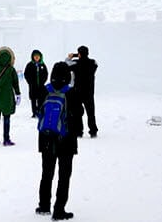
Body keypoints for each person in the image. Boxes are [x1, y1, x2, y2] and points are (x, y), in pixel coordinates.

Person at [36, 62, 80, 220]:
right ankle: (59, 209)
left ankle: (43, 205)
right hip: (66, 140)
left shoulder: (45, 90)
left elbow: (38, 110)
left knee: (46, 173)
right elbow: (78, 115)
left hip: (46, 138)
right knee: (64, 175)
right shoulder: (71, 92)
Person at [0, 46, 21, 146]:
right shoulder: (11, 70)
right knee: (6, 118)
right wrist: (18, 94)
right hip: (8, 97)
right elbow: (15, 83)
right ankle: (6, 139)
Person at [67, 46, 98, 138]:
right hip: (89, 92)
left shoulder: (76, 64)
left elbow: (66, 64)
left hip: (77, 92)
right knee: (91, 113)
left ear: (79, 54)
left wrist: (71, 56)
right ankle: (93, 131)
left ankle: (79, 132)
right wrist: (80, 56)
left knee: (77, 113)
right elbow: (96, 63)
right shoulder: (93, 63)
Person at [24, 49, 49, 118]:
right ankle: (34, 112)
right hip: (33, 86)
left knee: (41, 99)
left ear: (40, 57)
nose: (37, 57)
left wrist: (43, 81)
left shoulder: (42, 65)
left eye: (38, 56)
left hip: (41, 86)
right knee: (33, 99)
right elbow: (26, 74)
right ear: (33, 57)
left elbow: (46, 74)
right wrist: (30, 82)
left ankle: (40, 111)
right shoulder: (30, 65)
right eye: (35, 56)